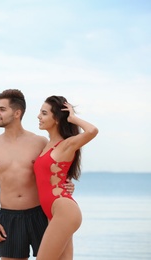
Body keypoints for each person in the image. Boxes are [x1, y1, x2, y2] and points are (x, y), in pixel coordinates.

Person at [0, 89, 75, 260]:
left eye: (2, 109)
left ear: (17, 113)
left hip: (40, 215)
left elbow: (56, 169)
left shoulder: (40, 142)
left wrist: (66, 184)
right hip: (9, 218)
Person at [33, 95, 98, 260]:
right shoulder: (46, 145)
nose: (39, 116)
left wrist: (73, 118)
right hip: (53, 212)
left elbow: (92, 131)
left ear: (56, 119)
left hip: (64, 210)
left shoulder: (66, 144)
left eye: (44, 113)